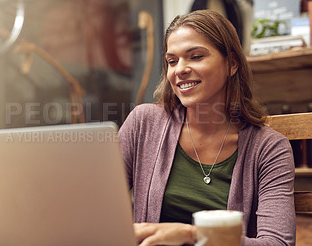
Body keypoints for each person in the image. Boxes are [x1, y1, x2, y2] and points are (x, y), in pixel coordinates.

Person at [118, 10, 295, 246]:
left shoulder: (269, 148)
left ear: (232, 64)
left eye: (196, 56)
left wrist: (192, 235)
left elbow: (278, 243)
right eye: (172, 61)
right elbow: (98, 206)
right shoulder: (143, 124)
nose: (179, 69)